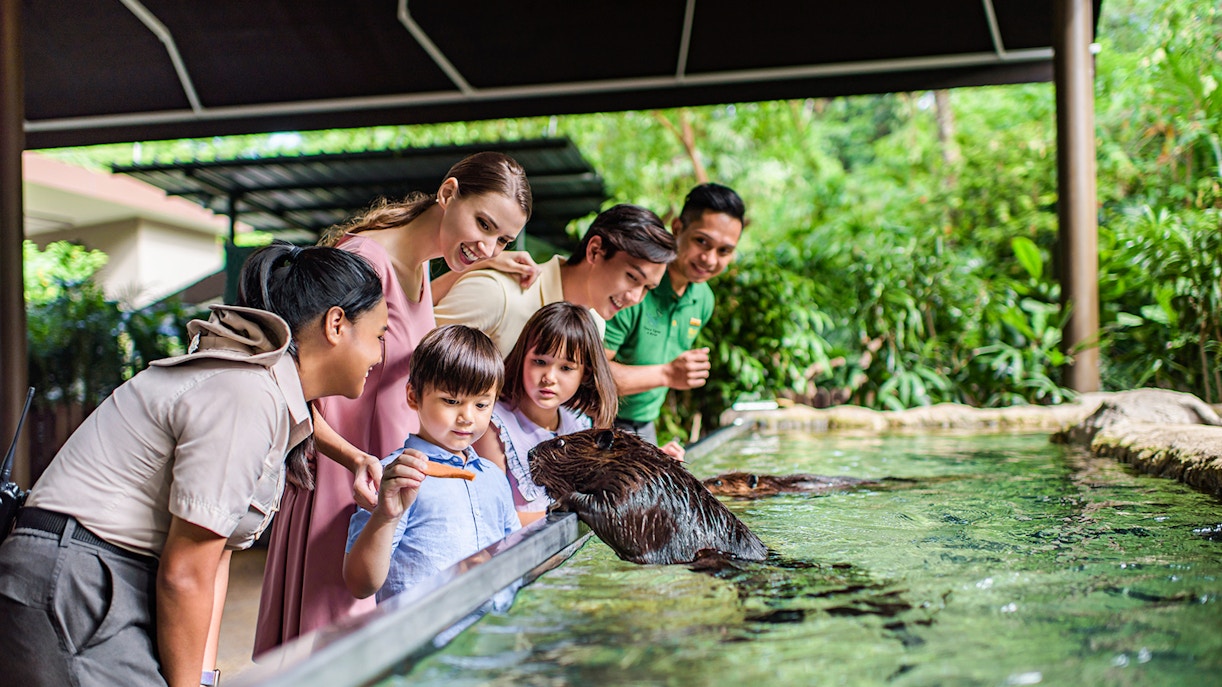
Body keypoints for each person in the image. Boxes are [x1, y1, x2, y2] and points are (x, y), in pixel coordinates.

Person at [0, 244, 388, 687]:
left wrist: (202, 678)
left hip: (91, 576)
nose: (380, 355)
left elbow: (213, 556)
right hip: (75, 582)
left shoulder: (264, 392)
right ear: (336, 324)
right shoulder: (246, 397)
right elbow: (186, 573)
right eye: (378, 335)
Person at [255, 152, 532, 653]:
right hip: (346, 483)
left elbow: (405, 318)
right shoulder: (363, 259)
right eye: (484, 224)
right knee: (334, 654)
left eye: (503, 239)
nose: (489, 245)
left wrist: (485, 263)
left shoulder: (420, 267)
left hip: (392, 481)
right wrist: (354, 460)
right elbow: (288, 383)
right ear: (448, 193)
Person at [343, 325, 518, 602]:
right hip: (424, 628)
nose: (467, 417)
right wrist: (385, 516)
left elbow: (514, 558)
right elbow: (360, 584)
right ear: (413, 396)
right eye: (451, 401)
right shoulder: (394, 477)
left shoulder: (494, 478)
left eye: (481, 405)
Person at [603, 183, 746, 456]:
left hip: (645, 425)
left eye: (724, 251)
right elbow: (590, 376)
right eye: (701, 241)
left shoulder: (704, 299)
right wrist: (669, 373)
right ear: (678, 228)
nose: (709, 259)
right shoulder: (635, 287)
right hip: (596, 420)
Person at [433, 203, 677, 357]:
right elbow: (416, 361)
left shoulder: (594, 326)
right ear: (595, 251)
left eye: (647, 288)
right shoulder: (497, 293)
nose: (635, 297)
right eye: (632, 277)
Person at [473, 302, 619, 525]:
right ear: (522, 358)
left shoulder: (579, 425)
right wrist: (579, 515)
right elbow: (493, 519)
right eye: (540, 362)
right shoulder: (495, 426)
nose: (549, 377)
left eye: (566, 368)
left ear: (585, 373)